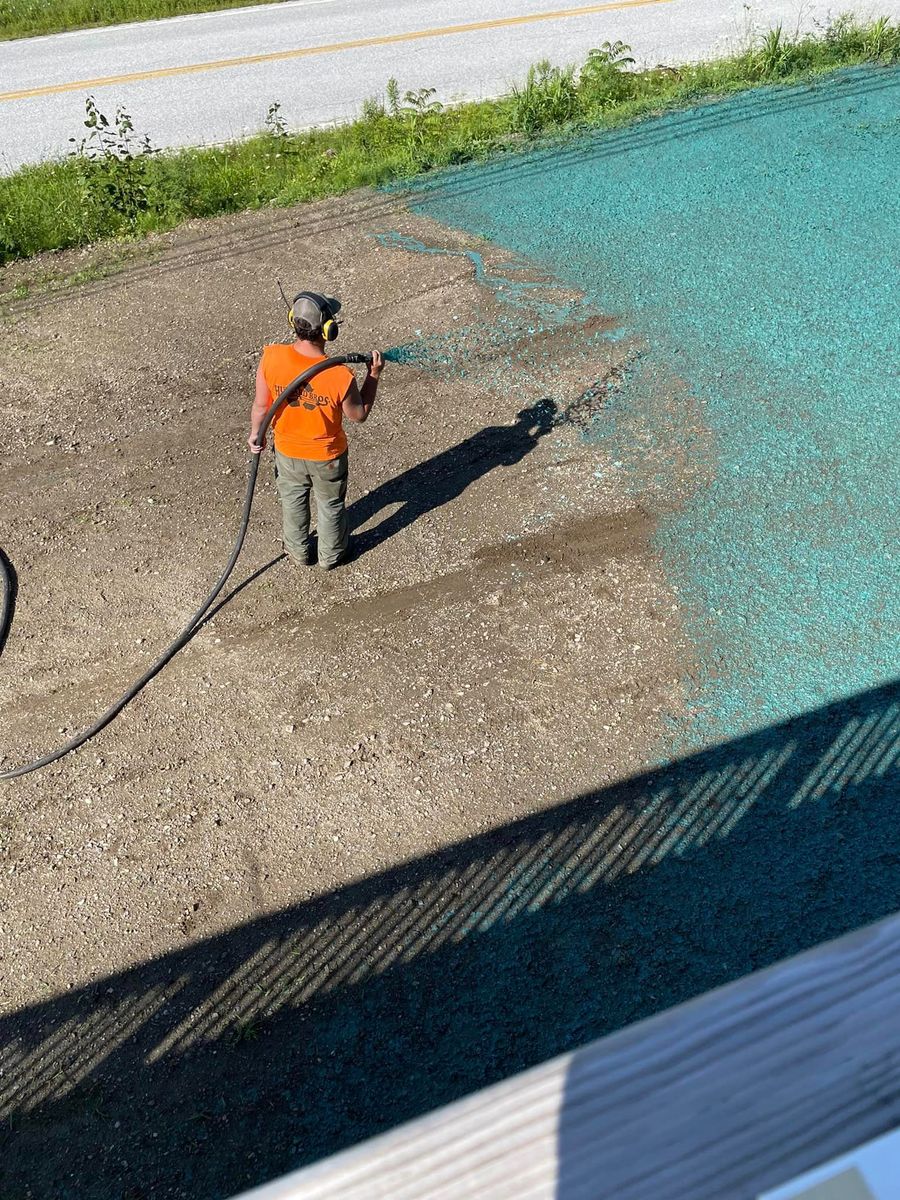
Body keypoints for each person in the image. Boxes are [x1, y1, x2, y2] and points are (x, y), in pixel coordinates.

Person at [248, 291, 384, 570]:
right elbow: (359, 415)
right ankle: (331, 556)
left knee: (293, 500)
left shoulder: (271, 357)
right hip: (327, 457)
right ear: (328, 330)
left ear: (293, 322)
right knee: (330, 505)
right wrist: (373, 376)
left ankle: (297, 551)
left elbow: (262, 407)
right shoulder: (339, 375)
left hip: (287, 452)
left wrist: (255, 434)